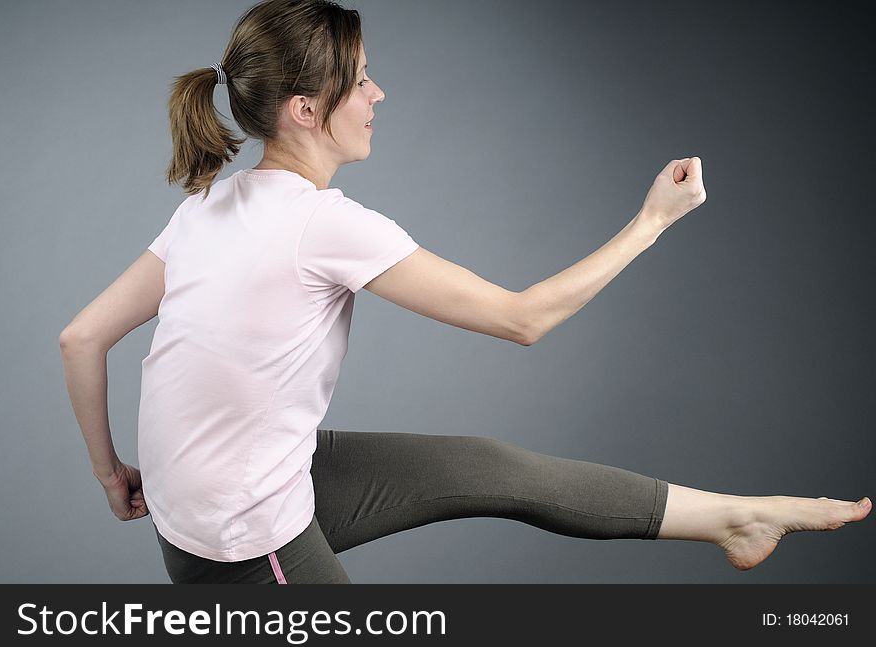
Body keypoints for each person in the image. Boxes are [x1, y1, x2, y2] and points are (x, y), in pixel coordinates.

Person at [59, 0, 870, 584]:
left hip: (210, 498)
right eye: (363, 81)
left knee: (486, 468)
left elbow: (82, 337)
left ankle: (737, 517)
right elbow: (524, 320)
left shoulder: (208, 206)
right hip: (239, 540)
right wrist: (652, 221)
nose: (380, 96)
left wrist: (112, 477)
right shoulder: (322, 224)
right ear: (306, 110)